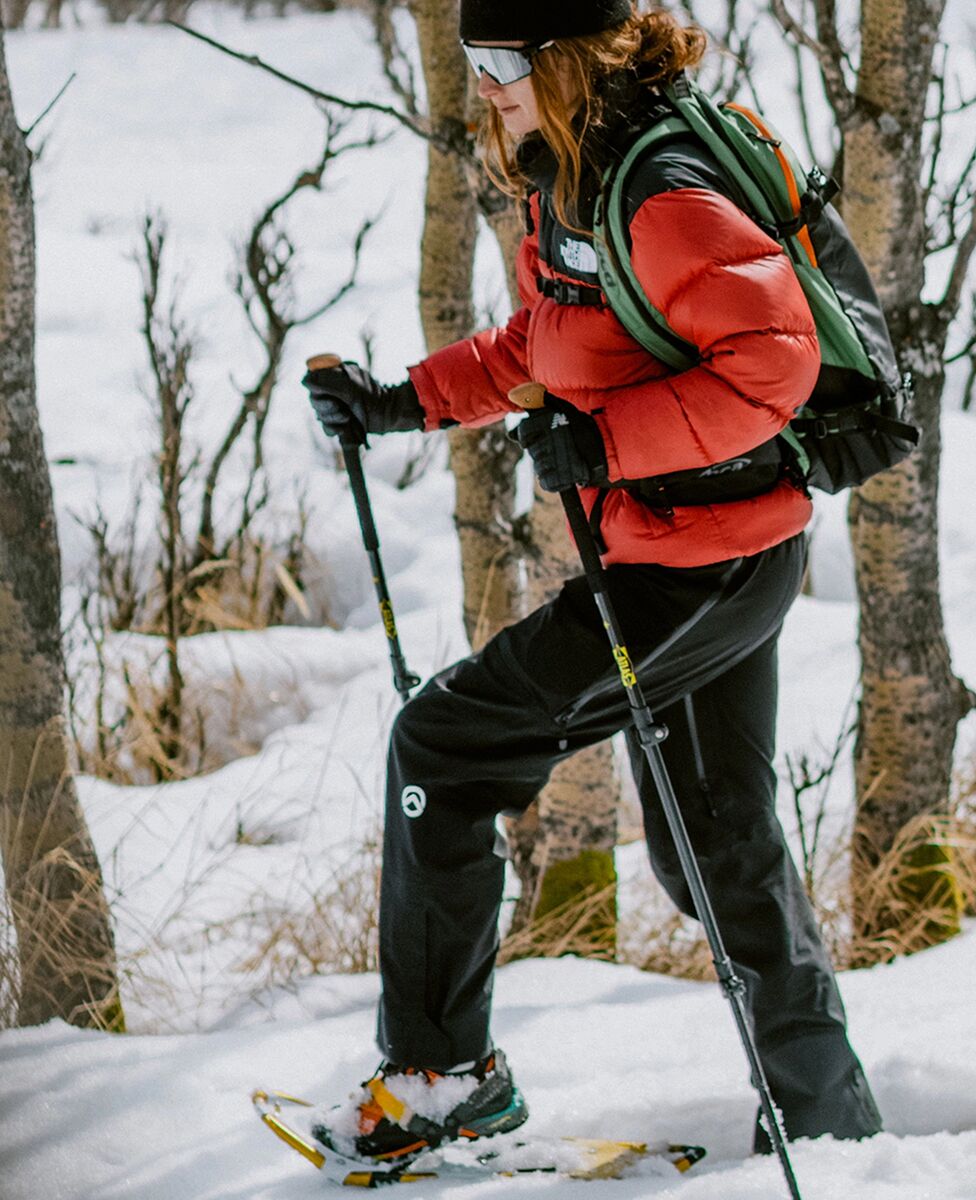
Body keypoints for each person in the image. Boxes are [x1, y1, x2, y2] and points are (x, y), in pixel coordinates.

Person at [301, 0, 882, 1170]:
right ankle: (826, 1116)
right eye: (474, 62)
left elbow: (776, 362)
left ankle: (440, 1079)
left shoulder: (660, 191)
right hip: (711, 556)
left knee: (444, 749)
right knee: (714, 840)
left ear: (566, 57)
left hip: (695, 570)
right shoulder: (581, 176)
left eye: (501, 62)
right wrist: (402, 401)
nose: (487, 86)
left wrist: (612, 445)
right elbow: (551, 346)